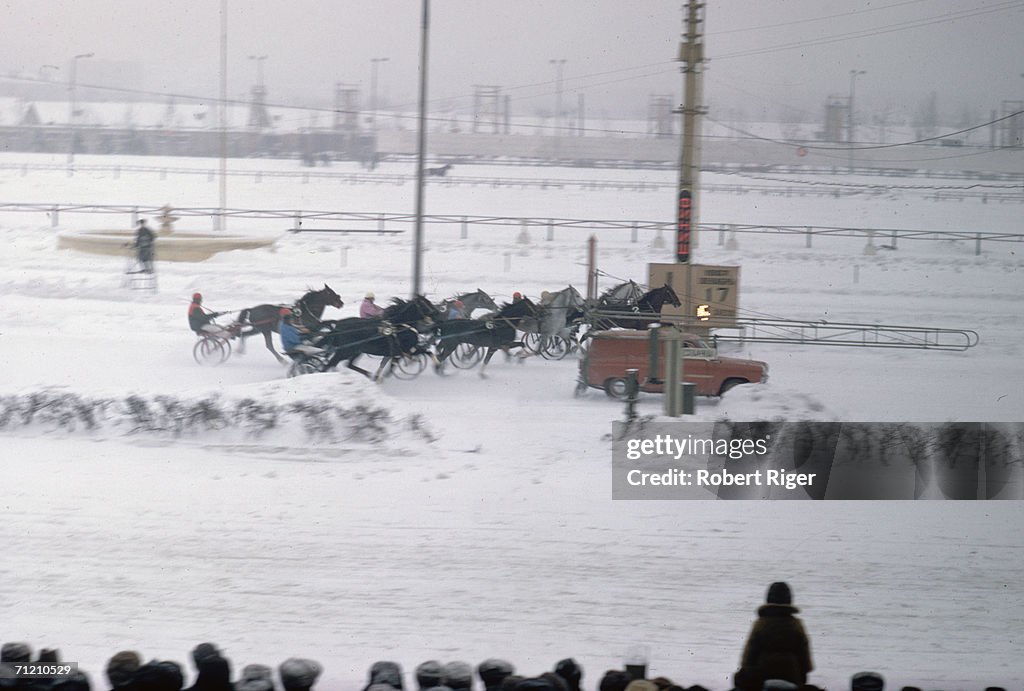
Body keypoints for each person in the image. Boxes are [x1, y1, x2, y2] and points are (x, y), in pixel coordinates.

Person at [734, 581, 814, 691]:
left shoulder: (760, 623)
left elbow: (748, 658)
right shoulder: (797, 624)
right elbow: (805, 660)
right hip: (792, 677)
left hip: (762, 678)